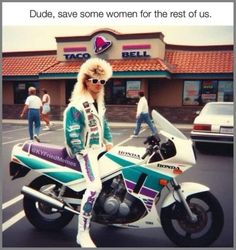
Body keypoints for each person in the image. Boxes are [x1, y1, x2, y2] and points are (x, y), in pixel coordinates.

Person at [63, 58, 113, 248]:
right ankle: (82, 233)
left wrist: (108, 143)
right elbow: (72, 131)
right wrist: (81, 151)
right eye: (94, 80)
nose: (99, 84)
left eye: (102, 81)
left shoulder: (97, 103)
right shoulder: (77, 105)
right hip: (85, 152)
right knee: (94, 187)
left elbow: (104, 125)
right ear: (85, 80)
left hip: (98, 149)